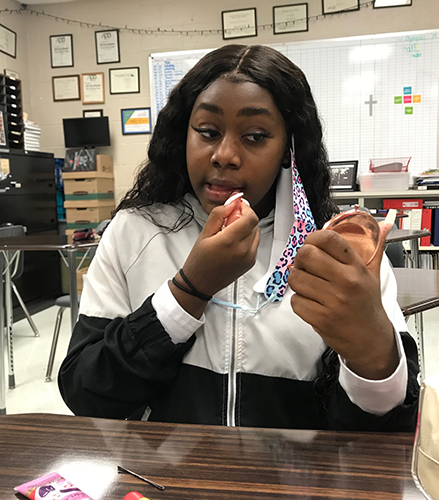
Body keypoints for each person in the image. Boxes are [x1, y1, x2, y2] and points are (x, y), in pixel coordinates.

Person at [59, 44, 419, 431]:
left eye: (255, 136)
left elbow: (388, 428)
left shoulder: (338, 246)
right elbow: (86, 393)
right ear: (184, 135)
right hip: (161, 484)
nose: (225, 155)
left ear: (288, 149)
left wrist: (372, 352)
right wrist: (188, 290)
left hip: (295, 487)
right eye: (208, 132)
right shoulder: (134, 231)